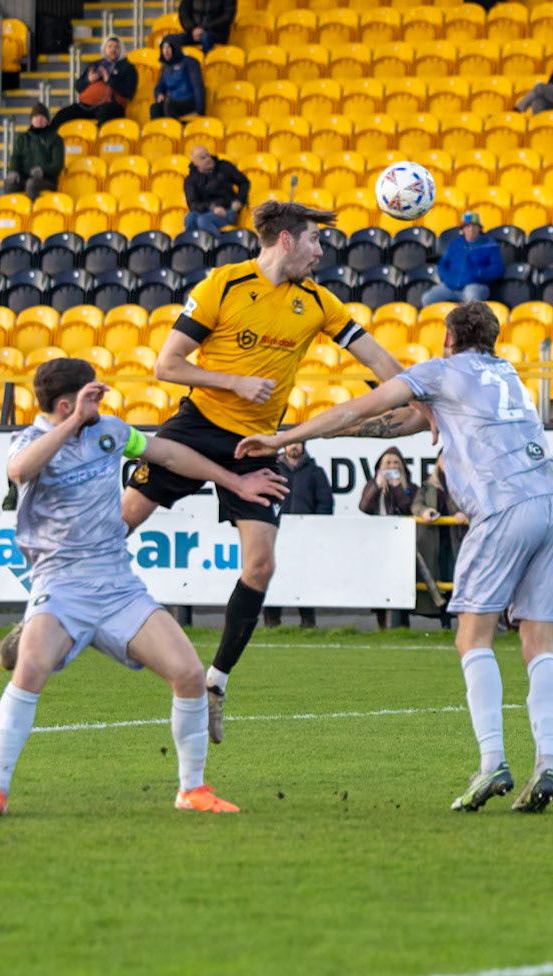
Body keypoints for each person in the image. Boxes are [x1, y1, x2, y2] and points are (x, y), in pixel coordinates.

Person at [237, 300, 553, 814]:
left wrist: (286, 436)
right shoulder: (505, 375)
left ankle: (492, 762)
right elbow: (396, 425)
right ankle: (546, 764)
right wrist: (343, 432)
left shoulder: (441, 371)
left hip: (504, 507)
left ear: (447, 339)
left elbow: (361, 409)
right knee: (539, 641)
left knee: (471, 634)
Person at [95, 202, 407, 745]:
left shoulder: (318, 301)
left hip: (258, 442)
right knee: (119, 522)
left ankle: (214, 684)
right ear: (285, 239)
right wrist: (234, 383)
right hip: (199, 424)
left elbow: (380, 362)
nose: (321, 251)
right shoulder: (225, 284)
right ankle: (48, 611)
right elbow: (167, 366)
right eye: (314, 240)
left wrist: (420, 397)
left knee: (260, 566)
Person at [0, 359, 288, 818]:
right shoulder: (31, 441)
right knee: (30, 668)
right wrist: (76, 419)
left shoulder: (111, 432)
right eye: (89, 398)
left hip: (118, 587)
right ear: (65, 403)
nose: (100, 405)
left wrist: (235, 480)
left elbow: (169, 455)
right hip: (60, 586)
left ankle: (191, 789)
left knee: (190, 674)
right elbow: (19, 471)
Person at [262, 442, 331, 628]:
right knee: (273, 577)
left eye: (298, 443)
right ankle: (272, 623)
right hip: (275, 534)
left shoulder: (315, 472)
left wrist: (314, 525)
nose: (294, 446)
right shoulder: (273, 471)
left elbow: (325, 503)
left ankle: (308, 622)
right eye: (291, 442)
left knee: (304, 578)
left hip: (305, 538)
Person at [359, 446, 415, 629]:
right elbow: (365, 507)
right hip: (378, 545)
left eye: (395, 463)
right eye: (388, 463)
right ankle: (382, 625)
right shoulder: (372, 484)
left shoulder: (411, 487)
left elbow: (409, 508)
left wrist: (397, 488)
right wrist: (377, 486)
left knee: (401, 584)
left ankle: (401, 625)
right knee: (380, 583)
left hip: (402, 544)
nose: (392, 466)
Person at [412, 459, 463, 629]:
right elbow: (416, 505)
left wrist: (465, 513)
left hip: (458, 539)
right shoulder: (427, 486)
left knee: (457, 577)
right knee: (440, 576)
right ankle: (445, 622)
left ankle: (460, 620)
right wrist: (424, 511)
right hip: (435, 540)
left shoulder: (465, 484)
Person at [51, 36, 136, 128]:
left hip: (110, 107)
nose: (113, 49)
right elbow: (78, 87)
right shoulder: (95, 65)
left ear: (121, 50)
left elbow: (128, 91)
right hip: (86, 106)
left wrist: (109, 80)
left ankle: (97, 141)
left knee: (105, 115)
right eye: (110, 46)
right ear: (104, 49)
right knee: (62, 115)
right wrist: (88, 80)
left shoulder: (127, 68)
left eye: (117, 47)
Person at [421, 212, 503, 306]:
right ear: (463, 229)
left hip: (475, 285)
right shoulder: (455, 244)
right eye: (467, 227)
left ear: (479, 228)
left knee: (472, 299)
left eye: (474, 226)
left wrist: (479, 273)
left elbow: (498, 269)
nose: (471, 229)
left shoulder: (490, 245)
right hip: (450, 286)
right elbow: (443, 263)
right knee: (427, 298)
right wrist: (446, 278)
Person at [182, 145, 249, 235]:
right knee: (190, 219)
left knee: (203, 221)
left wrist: (239, 200)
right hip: (206, 210)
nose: (208, 159)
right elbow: (193, 203)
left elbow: (244, 182)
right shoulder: (190, 180)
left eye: (208, 155)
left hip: (227, 210)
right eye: (203, 158)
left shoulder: (224, 166)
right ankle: (193, 246)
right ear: (195, 162)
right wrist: (212, 208)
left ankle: (220, 244)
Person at [4, 103, 63, 200]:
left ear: (47, 120)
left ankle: (32, 213)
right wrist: (13, 171)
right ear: (31, 120)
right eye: (36, 116)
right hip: (25, 177)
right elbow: (16, 157)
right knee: (10, 183)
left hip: (48, 180)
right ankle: (14, 212)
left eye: (42, 116)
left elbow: (58, 165)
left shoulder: (56, 140)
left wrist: (43, 171)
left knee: (31, 184)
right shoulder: (22, 138)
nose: (39, 119)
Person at [151, 35, 204, 120]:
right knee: (155, 108)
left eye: (168, 47)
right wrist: (159, 94)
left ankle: (172, 132)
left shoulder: (190, 62)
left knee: (169, 105)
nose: (165, 51)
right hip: (172, 102)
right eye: (163, 47)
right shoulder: (165, 67)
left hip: (188, 101)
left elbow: (197, 86)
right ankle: (158, 132)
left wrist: (199, 110)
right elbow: (160, 85)